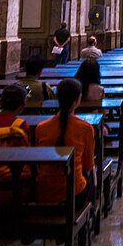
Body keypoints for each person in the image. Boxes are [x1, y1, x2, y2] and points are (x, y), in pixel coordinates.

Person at [35, 79, 95, 210]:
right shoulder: (85, 128)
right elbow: (88, 166)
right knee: (91, 178)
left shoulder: (41, 127)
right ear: (78, 99)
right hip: (74, 194)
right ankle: (92, 213)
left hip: (44, 192)